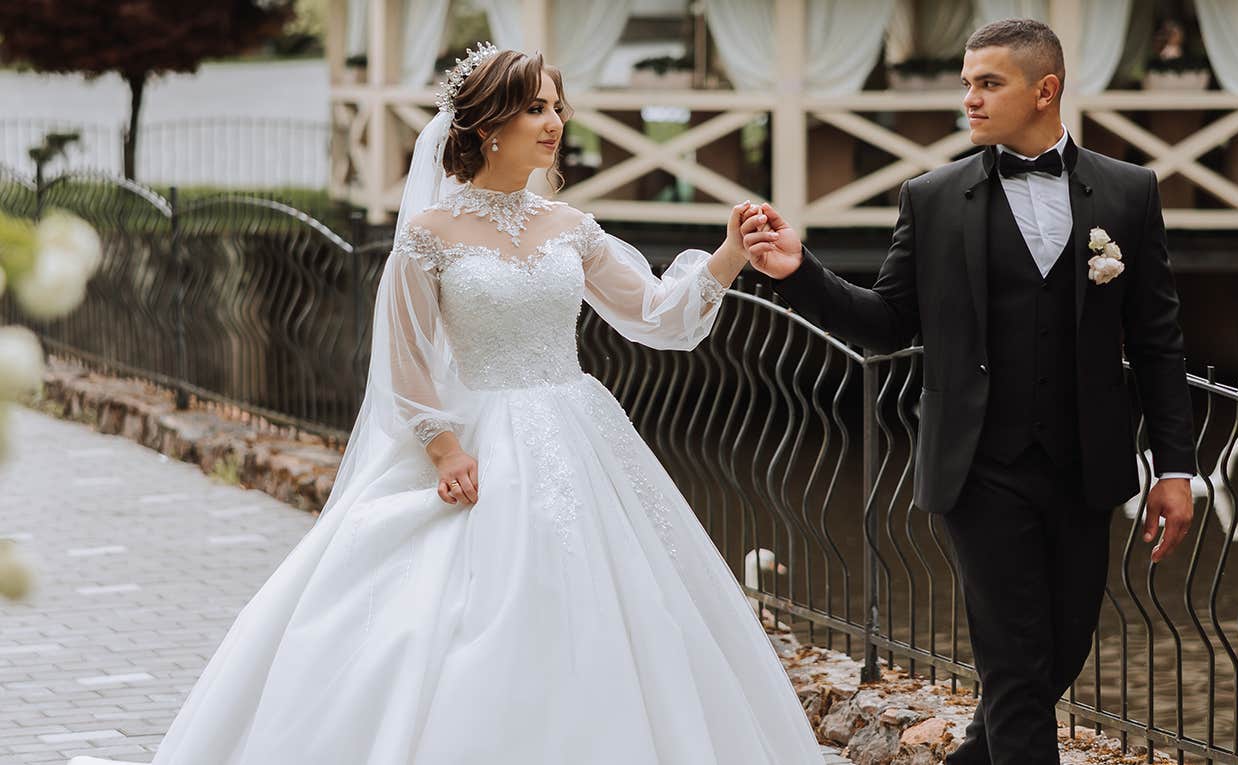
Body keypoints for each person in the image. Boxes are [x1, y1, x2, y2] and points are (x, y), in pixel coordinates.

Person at [71, 44, 825, 765]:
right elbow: (402, 361)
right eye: (535, 108)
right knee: (458, 611)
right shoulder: (427, 237)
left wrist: (728, 254)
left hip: (578, 431)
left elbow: (659, 315)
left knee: (617, 604)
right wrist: (443, 446)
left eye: (557, 106)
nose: (554, 122)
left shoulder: (571, 227)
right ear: (488, 125)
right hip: (481, 438)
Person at [739, 19, 1196, 765]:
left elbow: (1156, 342)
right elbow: (885, 323)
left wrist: (1174, 468)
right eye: (966, 83)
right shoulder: (933, 198)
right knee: (1017, 665)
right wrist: (801, 273)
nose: (969, 100)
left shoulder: (1129, 192)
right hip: (979, 467)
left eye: (988, 83)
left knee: (1059, 650)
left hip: (1088, 467)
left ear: (1045, 90)